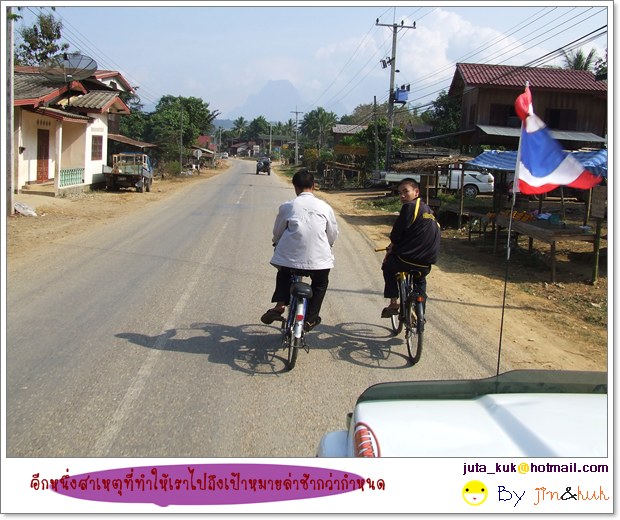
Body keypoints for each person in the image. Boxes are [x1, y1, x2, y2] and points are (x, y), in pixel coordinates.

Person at [261, 169, 339, 331]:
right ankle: (311, 318)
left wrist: (276, 243)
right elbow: (332, 234)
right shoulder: (325, 207)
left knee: (284, 273)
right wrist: (328, 245)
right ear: (314, 186)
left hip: (290, 260)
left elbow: (278, 232)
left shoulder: (288, 206)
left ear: (295, 187)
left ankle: (280, 305)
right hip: (319, 262)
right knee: (320, 283)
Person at [381, 177, 440, 318]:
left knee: (387, 266)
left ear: (416, 192)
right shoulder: (430, 212)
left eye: (405, 191)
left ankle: (393, 302)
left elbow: (396, 234)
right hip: (427, 262)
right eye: (400, 193)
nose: (402, 196)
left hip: (407, 259)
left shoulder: (410, 207)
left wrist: (391, 248)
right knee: (420, 281)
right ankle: (420, 315)